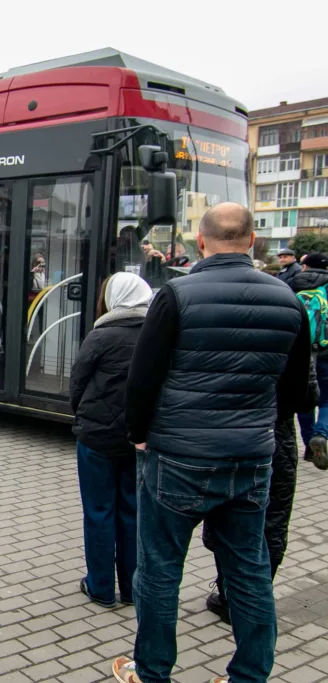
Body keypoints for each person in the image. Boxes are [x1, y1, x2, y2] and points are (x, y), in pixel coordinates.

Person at [112, 204, 310, 683]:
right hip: (250, 460)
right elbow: (297, 390)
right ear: (252, 243)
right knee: (248, 569)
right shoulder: (288, 301)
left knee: (159, 570)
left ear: (200, 243)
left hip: (178, 456)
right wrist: (259, 425)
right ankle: (248, 674)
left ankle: (153, 671)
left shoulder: (176, 294)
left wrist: (138, 435)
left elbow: (143, 380)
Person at [203, 355, 318, 625]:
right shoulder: (291, 318)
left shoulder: (223, 322)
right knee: (272, 520)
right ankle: (255, 600)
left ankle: (229, 596)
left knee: (225, 517)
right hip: (275, 435)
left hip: (228, 434)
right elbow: (307, 394)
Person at [69, 272, 150, 610]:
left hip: (97, 438)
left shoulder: (101, 334)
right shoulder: (157, 331)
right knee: (132, 511)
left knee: (99, 511)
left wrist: (86, 417)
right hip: (140, 438)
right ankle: (132, 589)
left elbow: (77, 384)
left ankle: (101, 587)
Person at [290, 251, 328, 468]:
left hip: (302, 352)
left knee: (306, 399)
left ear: (305, 267)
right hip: (325, 352)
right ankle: (321, 434)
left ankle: (309, 447)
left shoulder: (296, 285)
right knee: (326, 399)